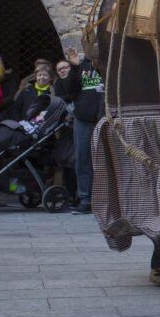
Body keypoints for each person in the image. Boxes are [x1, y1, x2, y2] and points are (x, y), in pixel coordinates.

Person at [60, 47, 105, 215]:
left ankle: (106, 199)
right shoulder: (81, 66)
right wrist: (75, 67)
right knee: (82, 158)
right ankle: (86, 199)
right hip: (83, 120)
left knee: (105, 160)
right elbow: (69, 91)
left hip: (105, 119)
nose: (93, 48)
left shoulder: (107, 63)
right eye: (90, 45)